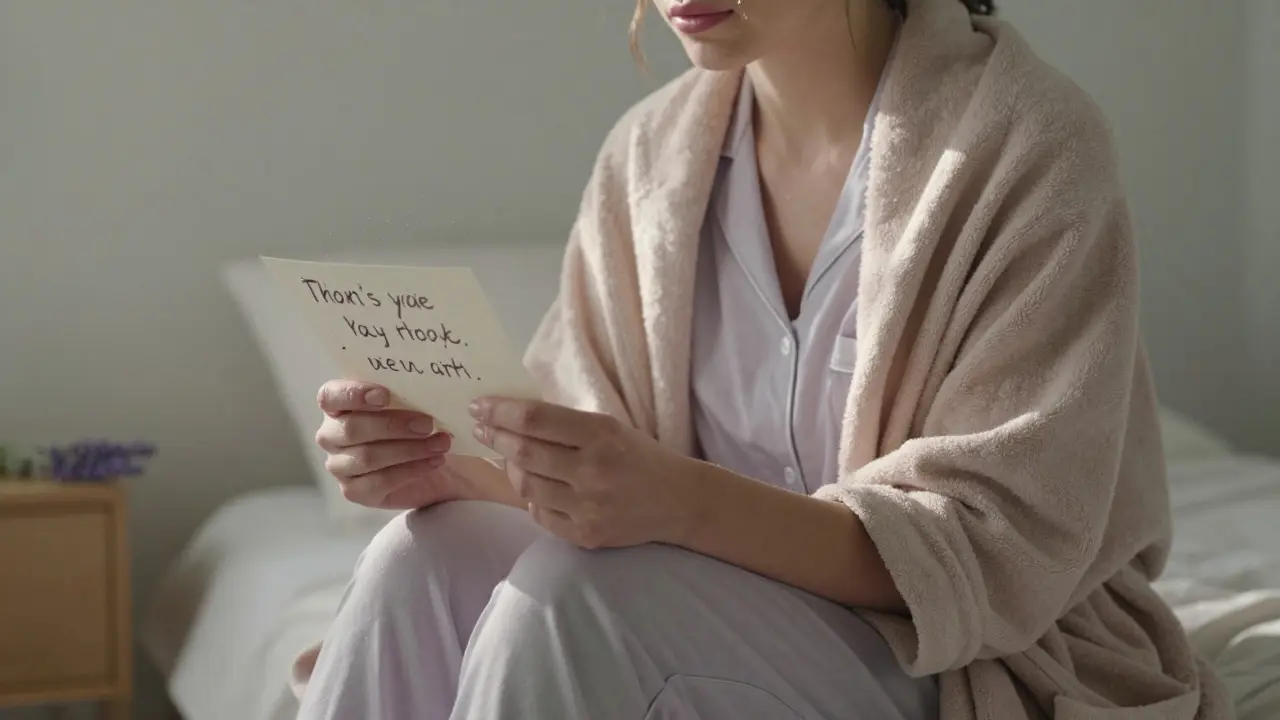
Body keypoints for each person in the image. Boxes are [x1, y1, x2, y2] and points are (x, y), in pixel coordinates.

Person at [295, 0, 1233, 718]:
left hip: (956, 657)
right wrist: (445, 464)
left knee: (576, 594)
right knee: (422, 555)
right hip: (702, 614)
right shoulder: (650, 157)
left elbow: (995, 547)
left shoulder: (1028, 144)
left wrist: (681, 498)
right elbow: (595, 477)